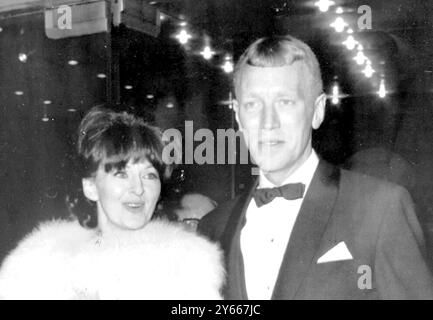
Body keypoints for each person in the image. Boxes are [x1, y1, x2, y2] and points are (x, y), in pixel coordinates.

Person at [198, 35, 433, 299]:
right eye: (253, 105)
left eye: (284, 102)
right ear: (239, 117)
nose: (267, 122)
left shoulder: (381, 209)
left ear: (317, 110)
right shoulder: (212, 228)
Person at [0, 106, 224, 300]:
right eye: (121, 174)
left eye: (149, 175)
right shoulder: (39, 266)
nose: (138, 188)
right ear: (90, 187)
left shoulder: (186, 267)